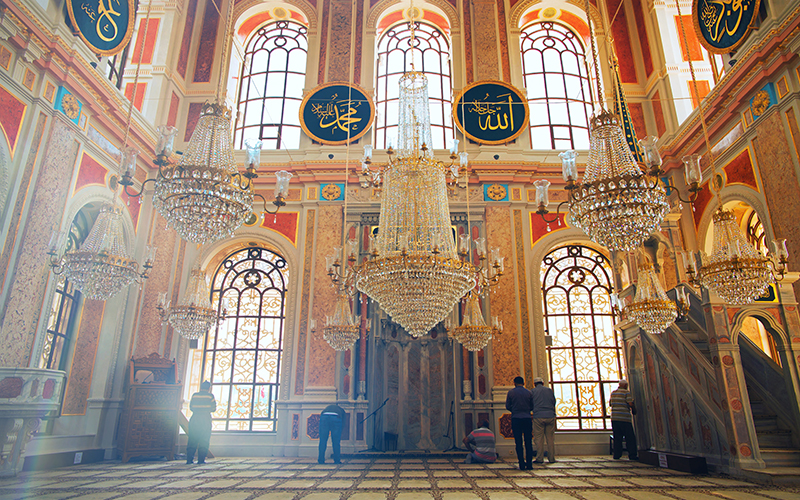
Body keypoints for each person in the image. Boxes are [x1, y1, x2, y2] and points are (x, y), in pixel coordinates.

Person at [505, 376, 534, 470]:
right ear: (524, 383)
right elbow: (532, 406)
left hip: (516, 418)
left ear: (514, 383)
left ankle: (521, 463)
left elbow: (508, 406)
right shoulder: (529, 392)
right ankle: (529, 464)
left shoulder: (511, 393)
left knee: (518, 442)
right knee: (528, 442)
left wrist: (514, 410)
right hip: (527, 418)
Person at [186, 381, 216, 464]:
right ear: (209, 388)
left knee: (192, 439)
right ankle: (201, 460)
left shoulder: (195, 395)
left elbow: (191, 407)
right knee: (204, 439)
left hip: (195, 418)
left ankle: (189, 460)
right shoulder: (210, 396)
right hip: (205, 419)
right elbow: (213, 409)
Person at [609, 379, 638, 460]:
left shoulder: (613, 393)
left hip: (614, 418)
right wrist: (634, 409)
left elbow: (610, 404)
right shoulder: (626, 392)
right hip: (624, 418)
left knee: (617, 437)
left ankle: (617, 455)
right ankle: (632, 455)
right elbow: (630, 403)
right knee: (630, 437)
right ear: (625, 385)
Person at [531, 376, 557, 464]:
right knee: (550, 438)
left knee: (539, 439)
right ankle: (552, 458)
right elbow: (553, 402)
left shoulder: (533, 391)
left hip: (538, 416)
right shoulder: (549, 390)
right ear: (543, 383)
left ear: (535, 384)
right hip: (550, 416)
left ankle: (539, 458)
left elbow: (531, 404)